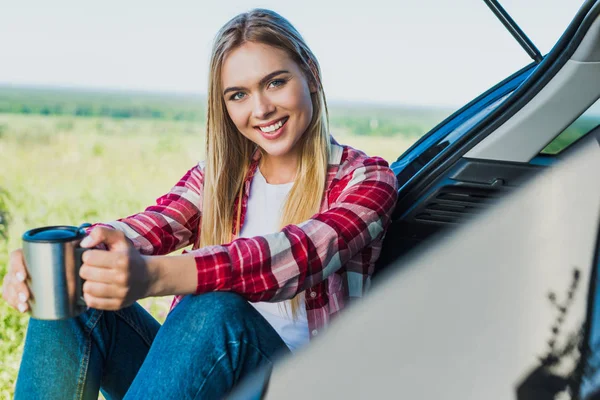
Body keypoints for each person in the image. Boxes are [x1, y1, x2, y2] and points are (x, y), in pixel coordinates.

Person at [2, 8, 398, 399]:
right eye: (239, 95)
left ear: (310, 74)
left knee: (212, 309)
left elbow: (297, 256)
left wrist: (155, 276)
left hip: (296, 386)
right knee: (76, 287)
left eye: (275, 83)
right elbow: (153, 223)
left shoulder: (367, 180)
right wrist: (64, 254)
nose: (261, 110)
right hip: (203, 376)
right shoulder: (220, 177)